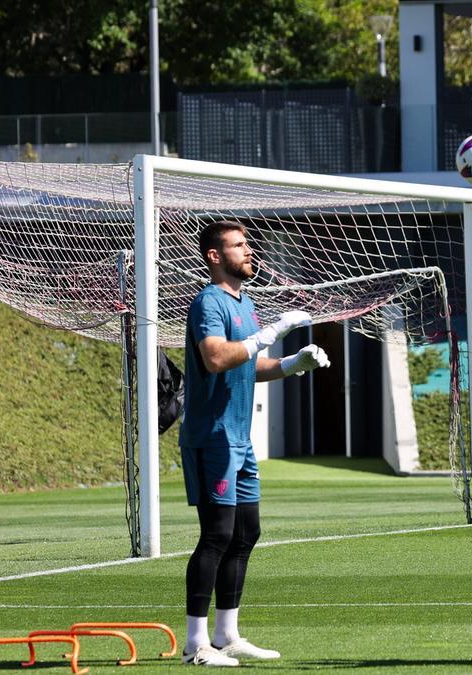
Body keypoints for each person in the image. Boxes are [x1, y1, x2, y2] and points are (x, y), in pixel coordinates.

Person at [179, 220, 331, 667]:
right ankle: (195, 644)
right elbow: (216, 356)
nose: (249, 251)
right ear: (214, 256)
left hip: (239, 440)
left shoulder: (245, 303)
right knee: (218, 534)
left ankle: (227, 634)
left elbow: (247, 363)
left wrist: (289, 363)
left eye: (248, 244)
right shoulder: (209, 301)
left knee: (247, 532)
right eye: (238, 245)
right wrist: (266, 337)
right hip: (213, 436)